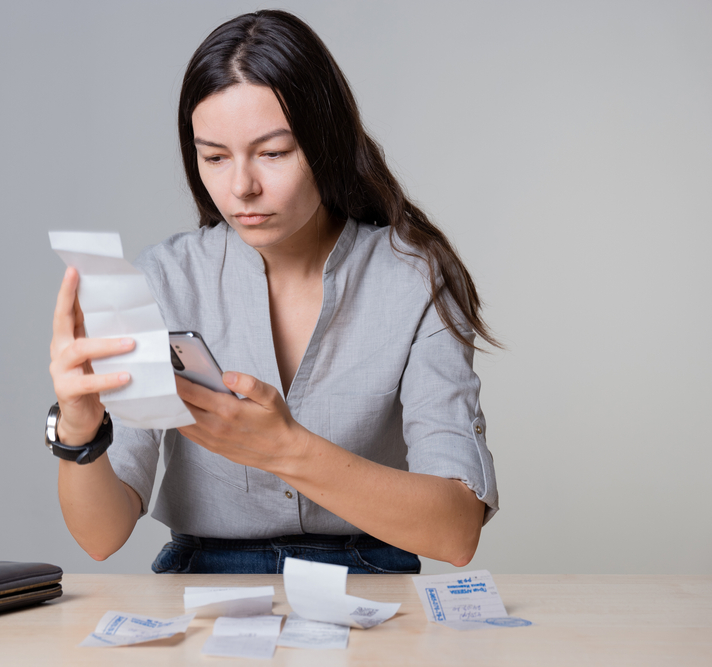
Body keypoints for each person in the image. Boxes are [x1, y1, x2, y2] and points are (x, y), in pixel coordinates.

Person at [48, 10, 499, 574]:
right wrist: (79, 430)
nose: (240, 187)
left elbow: (456, 532)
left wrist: (285, 449)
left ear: (326, 143)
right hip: (203, 584)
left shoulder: (415, 279)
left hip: (370, 582)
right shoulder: (166, 278)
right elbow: (101, 536)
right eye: (213, 157)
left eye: (274, 153)